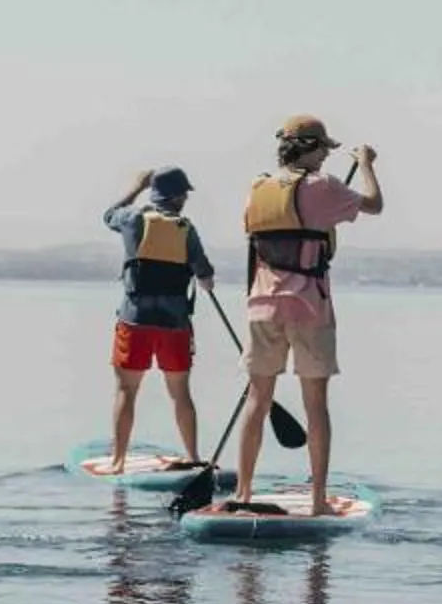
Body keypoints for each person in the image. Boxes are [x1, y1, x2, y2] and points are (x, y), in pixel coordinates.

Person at [228, 115, 381, 512]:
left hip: (261, 306)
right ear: (311, 149)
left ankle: (242, 492)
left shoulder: (257, 187)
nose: (326, 159)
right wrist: (365, 164)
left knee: (257, 401)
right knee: (316, 404)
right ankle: (317, 501)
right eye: (324, 151)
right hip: (310, 307)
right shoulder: (324, 186)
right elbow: (375, 205)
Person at [101, 165, 215, 471]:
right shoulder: (185, 228)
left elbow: (108, 214)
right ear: (177, 196)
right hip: (174, 324)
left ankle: (118, 460)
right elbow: (204, 273)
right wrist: (205, 281)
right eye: (184, 195)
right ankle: (192, 457)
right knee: (181, 393)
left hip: (134, 320)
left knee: (127, 390)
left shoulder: (130, 218)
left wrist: (135, 188)